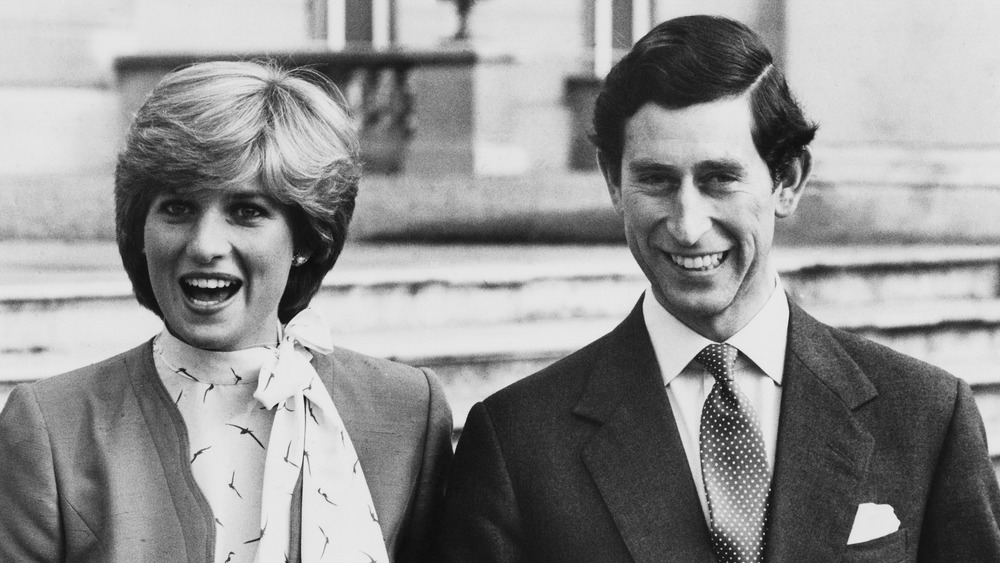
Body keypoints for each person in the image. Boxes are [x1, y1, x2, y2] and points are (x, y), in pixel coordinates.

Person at [433, 14, 1000, 562]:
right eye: (655, 180)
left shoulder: (926, 416)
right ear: (613, 183)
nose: (687, 223)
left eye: (719, 179)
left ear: (788, 181)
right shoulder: (518, 442)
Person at [0, 61, 452, 563]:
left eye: (247, 211)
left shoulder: (407, 412)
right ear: (139, 231)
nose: (205, 244)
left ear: (305, 235)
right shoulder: (51, 428)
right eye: (177, 208)